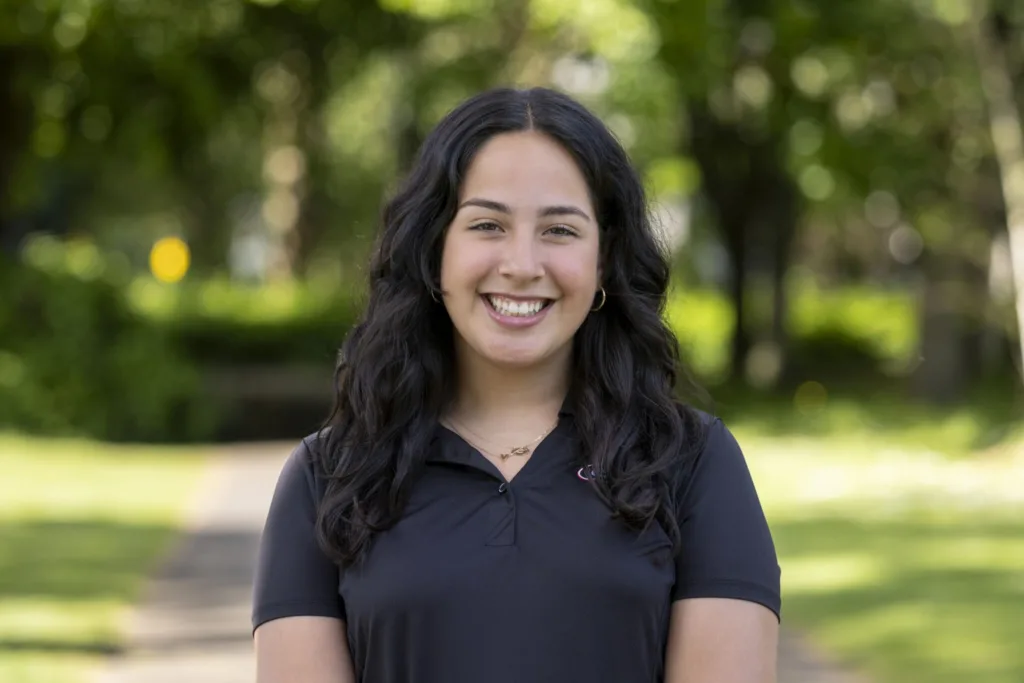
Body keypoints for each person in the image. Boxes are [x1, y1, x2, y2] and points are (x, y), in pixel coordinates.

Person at [251, 86, 781, 683]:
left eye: (559, 230)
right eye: (487, 225)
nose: (523, 264)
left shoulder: (692, 464)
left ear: (603, 260)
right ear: (434, 251)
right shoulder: (329, 478)